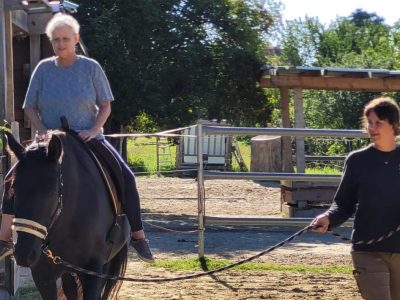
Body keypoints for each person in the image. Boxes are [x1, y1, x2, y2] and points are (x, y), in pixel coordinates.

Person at [0, 13, 155, 263]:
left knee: (127, 176)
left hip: (88, 137)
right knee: (13, 177)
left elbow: (105, 106)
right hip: (50, 142)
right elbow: (30, 107)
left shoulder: (90, 68)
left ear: (76, 39)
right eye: (55, 40)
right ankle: (5, 238)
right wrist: (40, 129)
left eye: (65, 39)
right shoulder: (43, 69)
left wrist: (94, 130)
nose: (60, 44)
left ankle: (138, 235)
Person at [311, 96, 400, 300]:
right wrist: (328, 218)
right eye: (369, 122)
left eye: (378, 122)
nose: (372, 127)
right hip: (367, 249)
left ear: (394, 125)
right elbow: (343, 203)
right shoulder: (357, 161)